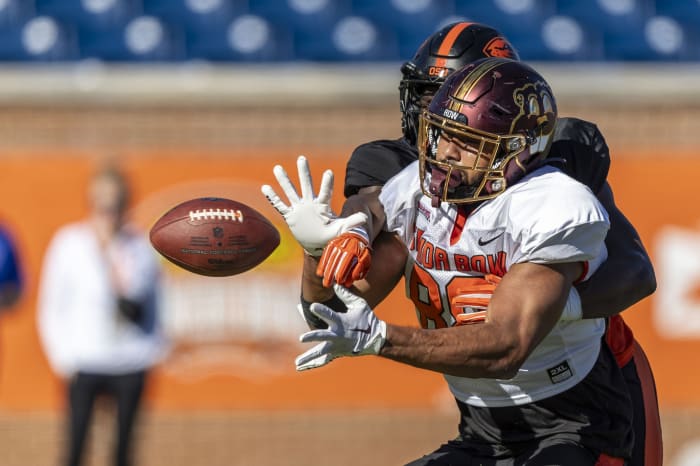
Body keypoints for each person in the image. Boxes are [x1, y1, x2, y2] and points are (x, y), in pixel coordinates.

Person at [263, 22, 661, 466]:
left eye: (462, 128)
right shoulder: (407, 175)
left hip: (578, 398)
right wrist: (329, 242)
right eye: (431, 101)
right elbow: (344, 274)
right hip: (484, 419)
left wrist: (558, 307)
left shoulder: (554, 187)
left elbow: (631, 274)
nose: (442, 146)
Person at [37, 164, 166, 466]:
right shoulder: (70, 243)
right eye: (103, 203)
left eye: (117, 202)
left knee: (123, 451)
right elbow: (51, 305)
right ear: (92, 201)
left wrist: (154, 348)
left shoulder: (139, 246)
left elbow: (156, 301)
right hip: (85, 360)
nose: (110, 211)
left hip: (131, 360)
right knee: (76, 447)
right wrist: (63, 358)